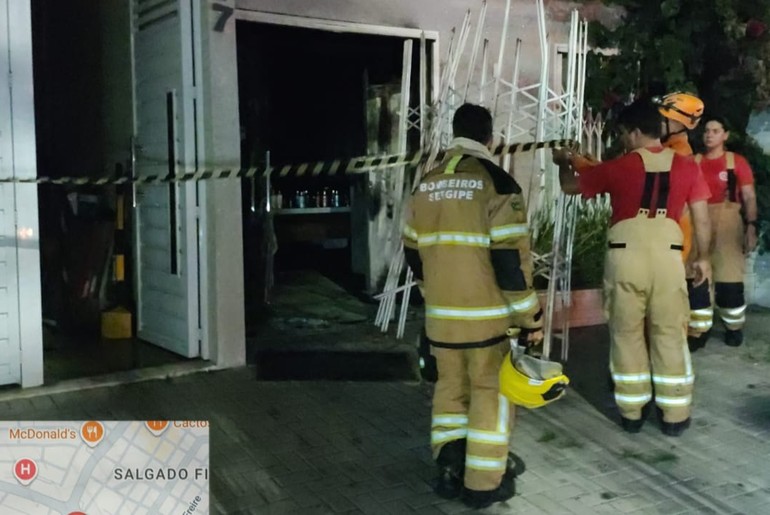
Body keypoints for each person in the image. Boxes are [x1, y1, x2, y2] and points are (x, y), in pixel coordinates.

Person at [402, 103, 543, 509]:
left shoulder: (425, 184)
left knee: (449, 392)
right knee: (489, 395)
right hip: (487, 323)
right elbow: (509, 263)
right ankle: (482, 485)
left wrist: (434, 292)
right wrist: (529, 315)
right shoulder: (497, 183)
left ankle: (449, 470)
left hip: (441, 320)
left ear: (454, 134)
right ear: (490, 139)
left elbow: (413, 251)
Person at [552, 98, 712, 437]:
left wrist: (563, 163)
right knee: (669, 333)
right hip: (669, 259)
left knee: (626, 334)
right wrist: (703, 258)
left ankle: (632, 412)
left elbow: (570, 187)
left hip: (625, 258)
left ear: (637, 132)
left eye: (625, 133)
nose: (624, 140)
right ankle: (674, 415)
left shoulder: (619, 166)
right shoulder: (687, 166)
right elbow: (701, 217)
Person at [654, 92, 713, 351]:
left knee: (664, 311)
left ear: (681, 123)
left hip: (673, 240)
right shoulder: (669, 150)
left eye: (665, 118)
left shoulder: (677, 156)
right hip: (670, 239)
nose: (659, 122)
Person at [694, 116, 758, 347]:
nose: (709, 134)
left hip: (729, 223)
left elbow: (749, 196)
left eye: (715, 130)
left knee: (729, 279)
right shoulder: (695, 162)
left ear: (725, 135)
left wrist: (751, 226)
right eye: (707, 131)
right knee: (698, 278)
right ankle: (700, 330)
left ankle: (734, 327)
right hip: (697, 222)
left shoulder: (736, 162)